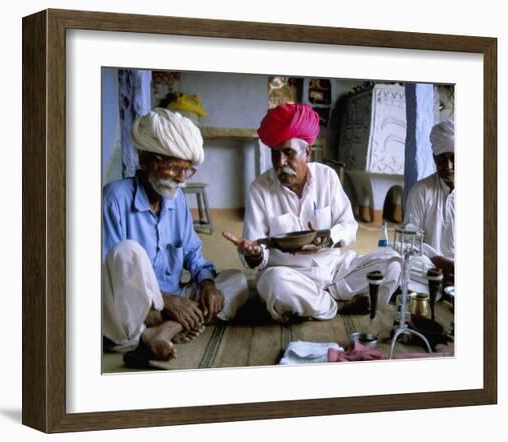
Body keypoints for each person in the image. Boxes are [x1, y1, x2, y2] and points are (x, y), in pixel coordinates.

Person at [223, 103, 401, 323]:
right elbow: (255, 249)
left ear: (307, 153)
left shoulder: (327, 177)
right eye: (275, 154)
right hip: (289, 275)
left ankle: (316, 302)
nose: (280, 163)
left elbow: (349, 226)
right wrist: (255, 254)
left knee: (393, 262)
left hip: (334, 270)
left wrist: (326, 240)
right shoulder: (260, 189)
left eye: (288, 153)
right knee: (272, 284)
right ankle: (336, 305)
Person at [102, 108, 248, 365]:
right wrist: (165, 301)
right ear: (145, 160)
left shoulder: (176, 198)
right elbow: (108, 274)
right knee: (128, 251)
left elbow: (193, 252)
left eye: (187, 170)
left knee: (236, 282)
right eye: (173, 168)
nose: (181, 179)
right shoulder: (115, 197)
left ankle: (164, 330)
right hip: (135, 308)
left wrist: (207, 285)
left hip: (175, 298)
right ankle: (151, 329)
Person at [405, 119, 455, 282]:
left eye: (454, 158)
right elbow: (408, 242)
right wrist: (436, 259)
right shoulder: (421, 191)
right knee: (398, 263)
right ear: (434, 158)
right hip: (429, 267)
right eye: (441, 159)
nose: (448, 166)